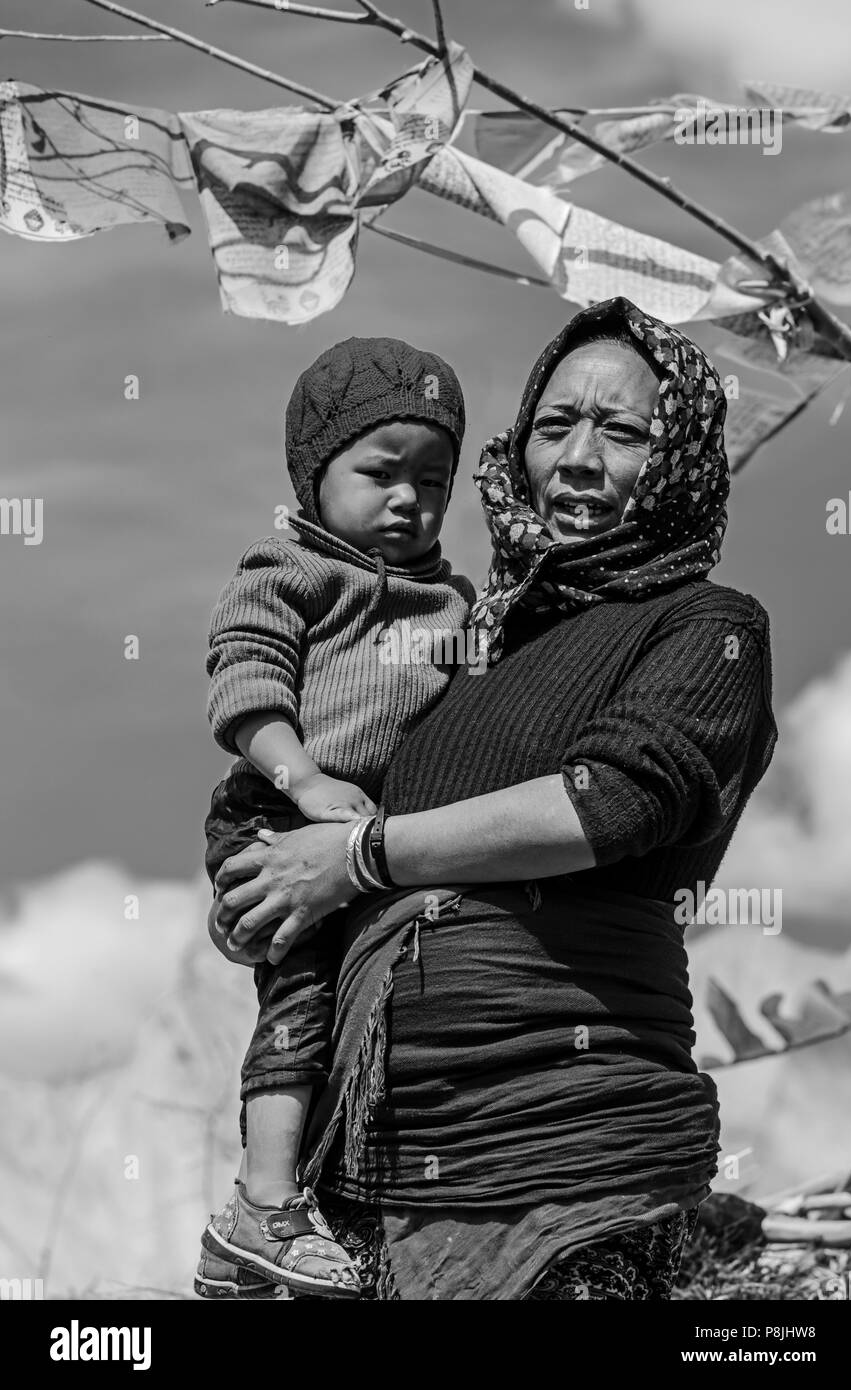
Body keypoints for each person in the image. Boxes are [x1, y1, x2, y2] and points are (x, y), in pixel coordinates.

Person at [207, 296, 778, 1301]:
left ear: (679, 452)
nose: (577, 458)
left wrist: (357, 857)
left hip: (570, 1150)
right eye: (554, 426)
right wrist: (268, 887)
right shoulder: (459, 644)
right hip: (378, 1174)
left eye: (624, 431)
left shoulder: (704, 626)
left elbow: (612, 800)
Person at [196, 337, 475, 1299]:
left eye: (433, 478)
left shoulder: (456, 602)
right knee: (303, 993)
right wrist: (306, 780)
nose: (409, 499)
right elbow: (243, 680)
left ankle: (268, 1242)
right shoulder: (291, 567)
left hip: (369, 845)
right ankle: (262, 1203)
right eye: (380, 472)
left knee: (379, 1006)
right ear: (315, 478)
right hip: (278, 810)